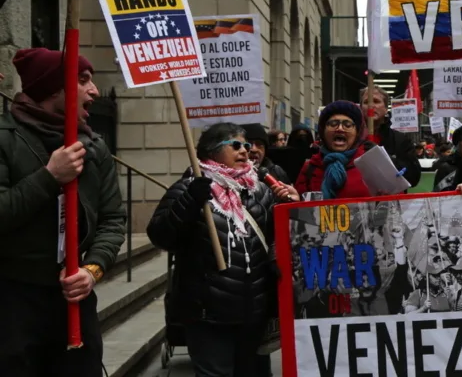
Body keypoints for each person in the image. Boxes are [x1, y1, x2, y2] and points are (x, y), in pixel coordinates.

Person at [0, 48, 125, 376]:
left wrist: (92, 270)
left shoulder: (95, 147)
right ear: (52, 88)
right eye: (83, 80)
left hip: (73, 299)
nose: (95, 91)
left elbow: (113, 220)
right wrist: (49, 177)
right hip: (14, 298)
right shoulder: (5, 139)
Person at [148, 123, 296, 376]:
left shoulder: (259, 190)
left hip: (253, 313)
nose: (244, 151)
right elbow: (162, 236)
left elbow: (284, 240)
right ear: (211, 152)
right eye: (235, 145)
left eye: (246, 146)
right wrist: (189, 200)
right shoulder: (189, 187)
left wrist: (293, 205)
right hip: (209, 315)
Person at [295, 101, 375, 200]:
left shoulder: (371, 164)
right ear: (323, 131)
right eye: (333, 124)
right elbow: (299, 209)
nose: (340, 129)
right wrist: (292, 199)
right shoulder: (310, 167)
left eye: (348, 124)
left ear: (357, 132)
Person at [361, 85, 421, 187]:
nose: (371, 106)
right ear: (361, 108)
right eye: (366, 102)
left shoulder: (401, 140)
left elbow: (413, 177)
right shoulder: (352, 139)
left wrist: (382, 157)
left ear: (385, 109)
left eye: (376, 101)